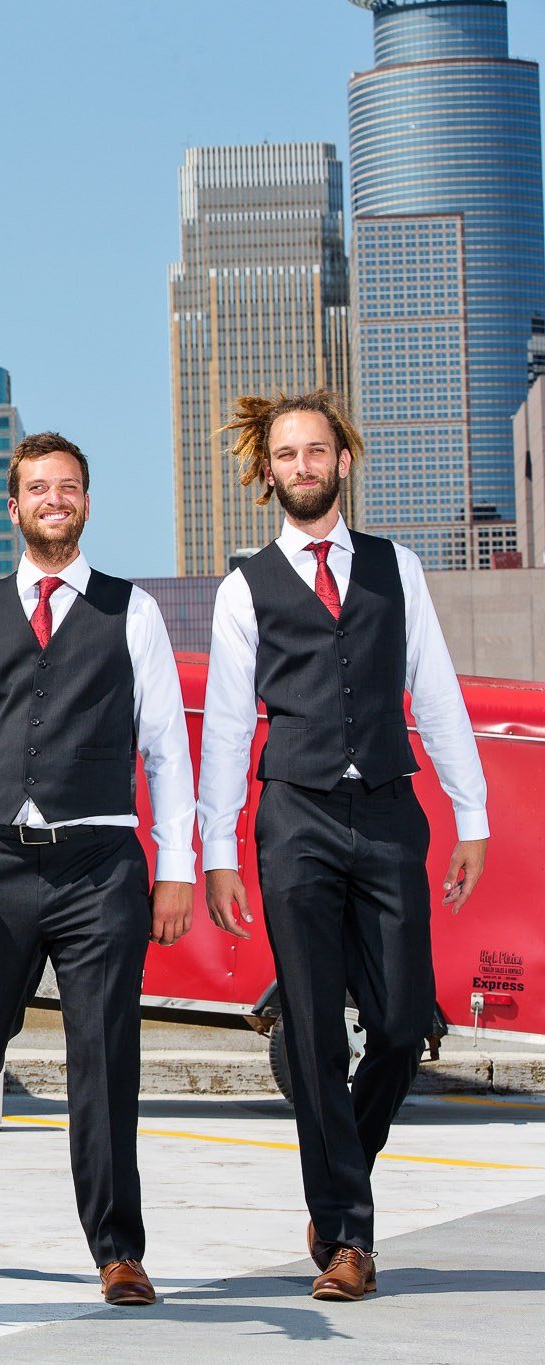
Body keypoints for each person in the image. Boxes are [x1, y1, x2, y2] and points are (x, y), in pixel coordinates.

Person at [199, 391, 488, 1302]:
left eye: (316, 450)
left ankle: (337, 1177)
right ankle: (349, 1238)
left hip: (392, 811)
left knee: (402, 1025)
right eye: (287, 454)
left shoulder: (397, 568)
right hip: (295, 817)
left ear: (342, 461)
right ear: (269, 471)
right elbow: (228, 727)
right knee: (317, 1031)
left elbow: (434, 690)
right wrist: (217, 849)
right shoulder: (244, 587)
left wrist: (472, 813)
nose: (302, 465)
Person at [0, 431, 195, 1306]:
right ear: (14, 506)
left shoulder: (131, 611)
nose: (54, 499)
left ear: (87, 503)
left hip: (100, 866)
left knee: (104, 1054)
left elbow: (166, 748)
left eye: (68, 486)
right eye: (38, 487)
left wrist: (177, 867)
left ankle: (117, 1247)